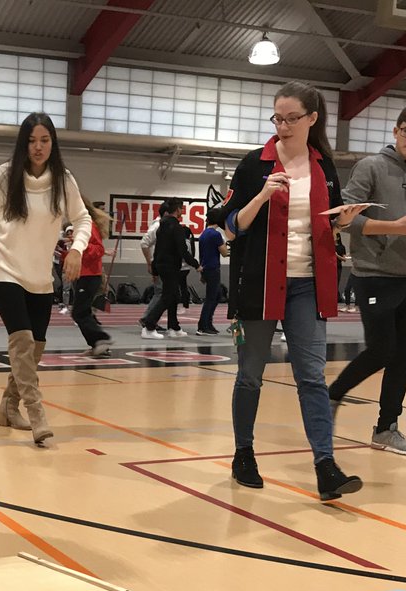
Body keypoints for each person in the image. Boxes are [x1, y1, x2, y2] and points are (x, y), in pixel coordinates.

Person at [222, 81, 369, 502]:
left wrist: (343, 221)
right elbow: (231, 226)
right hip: (259, 286)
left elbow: (327, 223)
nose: (283, 126)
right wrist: (263, 196)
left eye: (291, 119)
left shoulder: (324, 166)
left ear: (312, 119)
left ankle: (326, 465)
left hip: (309, 286)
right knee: (250, 376)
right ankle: (243, 454)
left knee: (312, 378)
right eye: (277, 118)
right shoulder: (254, 165)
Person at [328, 100, 406, 457]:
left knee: (403, 358)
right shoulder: (370, 167)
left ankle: (386, 428)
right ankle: (331, 395)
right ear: (396, 130)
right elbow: (345, 218)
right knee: (383, 350)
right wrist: (392, 227)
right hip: (373, 276)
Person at [0, 112, 92, 444]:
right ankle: (37, 413)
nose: (38, 147)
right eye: (31, 141)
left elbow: (82, 219)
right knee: (23, 341)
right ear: (22, 144)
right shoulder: (6, 176)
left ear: (52, 143)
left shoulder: (62, 180)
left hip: (39, 276)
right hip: (4, 269)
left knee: (36, 346)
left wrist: (77, 249)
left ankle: (8, 406)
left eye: (44, 140)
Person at [139, 197, 200, 338]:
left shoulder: (162, 226)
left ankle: (174, 327)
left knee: (173, 295)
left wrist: (153, 266)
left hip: (162, 265)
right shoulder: (176, 227)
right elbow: (183, 250)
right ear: (178, 209)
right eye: (182, 209)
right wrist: (196, 264)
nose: (182, 212)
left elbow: (158, 249)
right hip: (170, 266)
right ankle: (149, 325)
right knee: (168, 296)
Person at [71, 197, 113, 357]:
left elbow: (98, 249)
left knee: (79, 313)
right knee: (83, 312)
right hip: (84, 274)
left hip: (89, 276)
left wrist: (80, 246)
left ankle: (101, 340)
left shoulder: (89, 226)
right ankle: (99, 345)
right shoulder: (82, 227)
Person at [196, 205, 230, 335]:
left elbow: (201, 254)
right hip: (213, 268)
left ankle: (207, 323)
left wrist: (201, 272)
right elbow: (224, 253)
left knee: (215, 296)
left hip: (206, 267)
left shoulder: (204, 234)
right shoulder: (216, 235)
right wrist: (225, 241)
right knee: (211, 298)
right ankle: (203, 325)